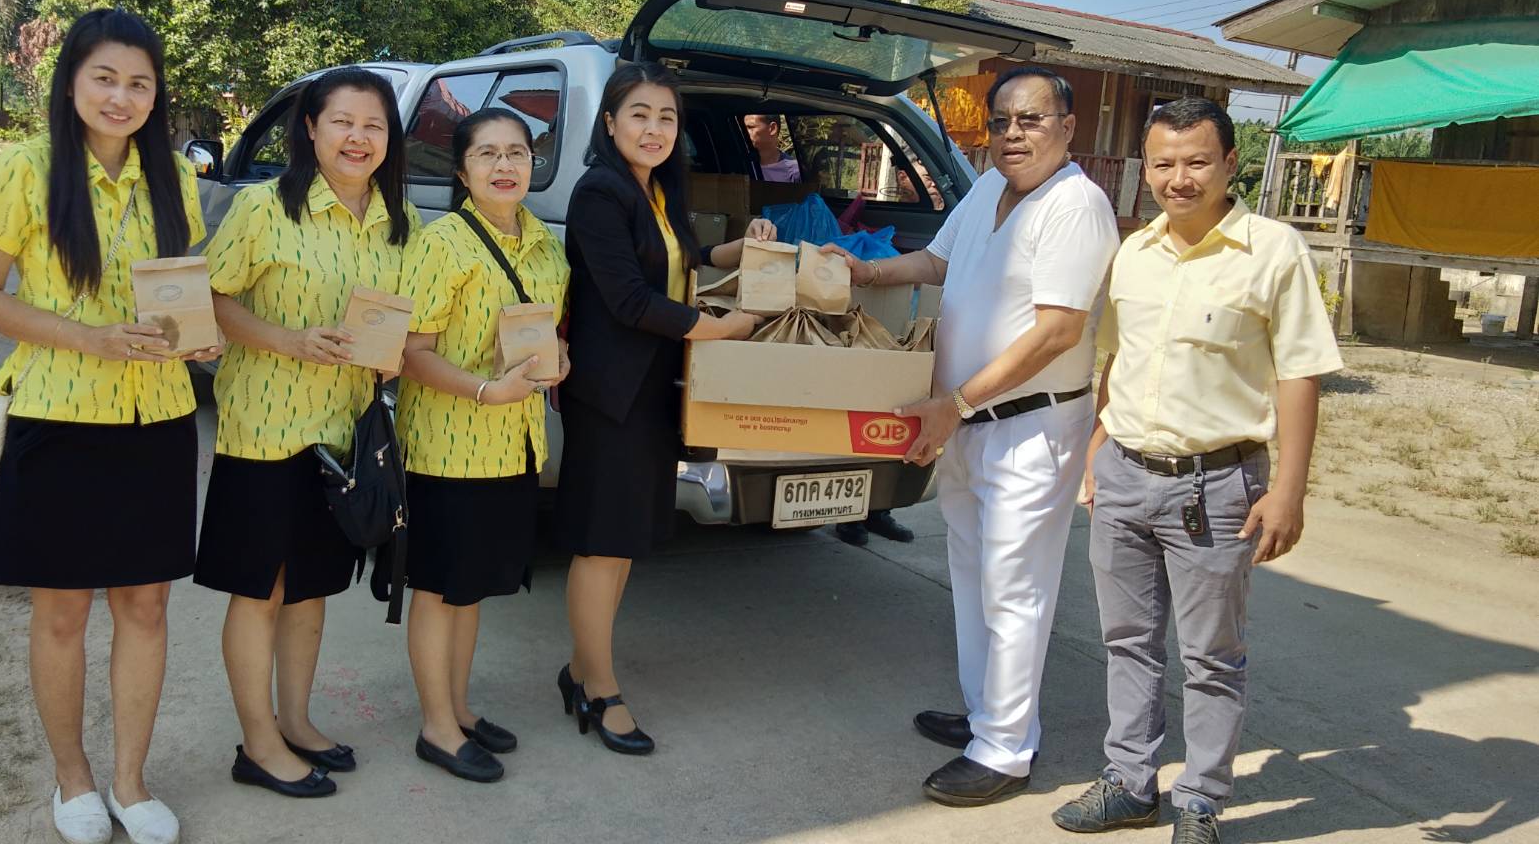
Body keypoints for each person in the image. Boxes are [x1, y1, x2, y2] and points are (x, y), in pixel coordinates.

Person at [0, 8, 217, 844]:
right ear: (71, 82)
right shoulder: (28, 170)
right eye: (105, 77)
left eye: (139, 82)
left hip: (159, 418)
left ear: (155, 95)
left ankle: (132, 783)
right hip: (59, 418)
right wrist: (92, 339)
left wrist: (197, 335)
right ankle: (72, 779)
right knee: (62, 613)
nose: (121, 96)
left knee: (145, 607)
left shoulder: (174, 176)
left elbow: (186, 296)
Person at [824, 66, 1120, 807]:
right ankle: (988, 714)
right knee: (974, 575)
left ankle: (1007, 750)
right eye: (1001, 122)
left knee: (1016, 586)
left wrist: (955, 402)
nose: (1013, 134)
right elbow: (937, 262)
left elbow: (1058, 331)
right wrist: (865, 270)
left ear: (1067, 127)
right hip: (963, 421)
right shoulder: (989, 188)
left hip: (1029, 425)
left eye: (1030, 119)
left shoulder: (1076, 205)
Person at [1050, 98, 1341, 844]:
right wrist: (1095, 449)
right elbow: (1118, 358)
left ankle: (1202, 801)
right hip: (1123, 475)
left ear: (1230, 164)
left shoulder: (1273, 252)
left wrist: (1288, 492)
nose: (1179, 179)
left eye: (1196, 162)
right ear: (1146, 169)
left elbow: (1300, 374)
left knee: (1211, 656)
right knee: (1127, 640)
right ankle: (1129, 782)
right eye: (1164, 164)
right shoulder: (1135, 252)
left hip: (1218, 487)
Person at [194, 67, 420, 799]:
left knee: (312, 590)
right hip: (265, 430)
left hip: (344, 436)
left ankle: (296, 721)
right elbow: (212, 298)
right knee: (261, 589)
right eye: (343, 123)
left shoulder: (398, 225)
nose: (359, 138)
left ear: (391, 137)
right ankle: (257, 744)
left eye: (374, 125)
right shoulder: (263, 209)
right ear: (312, 130)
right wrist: (288, 340)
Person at [555, 63, 773, 755]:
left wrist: (735, 249)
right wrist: (724, 329)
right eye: (640, 114)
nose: (655, 129)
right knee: (602, 543)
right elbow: (628, 300)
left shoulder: (653, 190)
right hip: (610, 395)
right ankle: (598, 687)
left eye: (667, 118)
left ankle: (582, 670)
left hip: (653, 391)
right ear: (611, 122)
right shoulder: (599, 191)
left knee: (623, 544)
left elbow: (680, 261)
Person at [396, 107, 570, 783]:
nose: (505, 166)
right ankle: (436, 728)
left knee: (471, 590)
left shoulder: (546, 246)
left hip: (515, 447)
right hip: (448, 445)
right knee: (439, 588)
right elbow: (413, 352)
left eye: (518, 153)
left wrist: (557, 361)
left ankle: (460, 709)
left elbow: (548, 338)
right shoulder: (443, 245)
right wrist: (480, 391)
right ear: (462, 169)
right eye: (488, 154)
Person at [744, 113, 801, 182]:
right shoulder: (738, 164)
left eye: (750, 127)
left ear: (772, 128)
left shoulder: (794, 172)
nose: (744, 131)